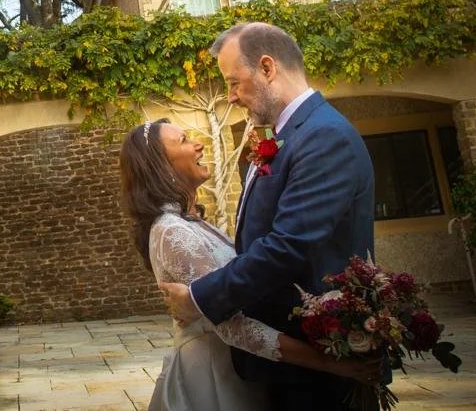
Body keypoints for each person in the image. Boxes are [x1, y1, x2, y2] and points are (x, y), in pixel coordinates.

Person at [157, 22, 378, 411]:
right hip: (289, 367)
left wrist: (200, 297)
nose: (230, 97)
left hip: (320, 367)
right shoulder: (287, 135)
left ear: (267, 68)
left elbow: (287, 246)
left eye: (234, 82)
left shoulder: (323, 136)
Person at [121, 117, 375, 411]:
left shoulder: (194, 223)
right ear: (160, 167)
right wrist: (328, 363)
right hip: (213, 379)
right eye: (184, 140)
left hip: (237, 368)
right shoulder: (171, 230)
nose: (199, 144)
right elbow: (233, 327)